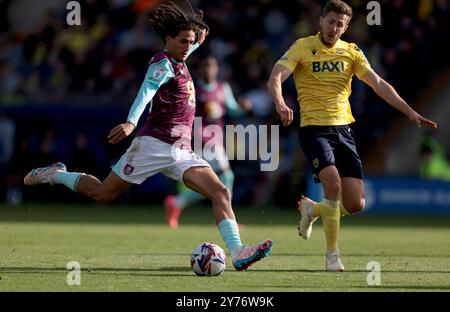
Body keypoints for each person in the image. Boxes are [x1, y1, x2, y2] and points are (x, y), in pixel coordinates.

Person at [24, 1, 272, 271]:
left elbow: (193, 41)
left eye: (191, 42)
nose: (188, 46)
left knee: (221, 191)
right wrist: (131, 123)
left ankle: (237, 252)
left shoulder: (182, 57)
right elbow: (146, 91)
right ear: (167, 39)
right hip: (152, 145)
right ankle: (56, 174)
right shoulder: (162, 63)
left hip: (181, 150)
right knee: (103, 193)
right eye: (183, 41)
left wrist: (199, 34)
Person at [267, 0, 437, 272]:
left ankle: (312, 211)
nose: (334, 28)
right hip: (313, 129)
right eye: (331, 21)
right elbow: (276, 76)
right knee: (332, 185)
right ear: (321, 20)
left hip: (344, 130)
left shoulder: (352, 52)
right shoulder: (302, 47)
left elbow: (379, 84)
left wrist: (409, 112)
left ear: (346, 27)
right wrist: (280, 102)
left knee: (356, 204)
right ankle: (332, 255)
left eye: (340, 24)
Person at [164, 55, 251, 229]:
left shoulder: (222, 87)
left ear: (217, 69)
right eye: (204, 67)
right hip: (200, 138)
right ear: (199, 70)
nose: (208, 70)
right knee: (226, 176)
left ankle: (177, 203)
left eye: (211, 67)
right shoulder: (193, 88)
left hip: (216, 138)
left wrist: (243, 108)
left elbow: (232, 109)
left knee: (215, 181)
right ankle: (226, 218)